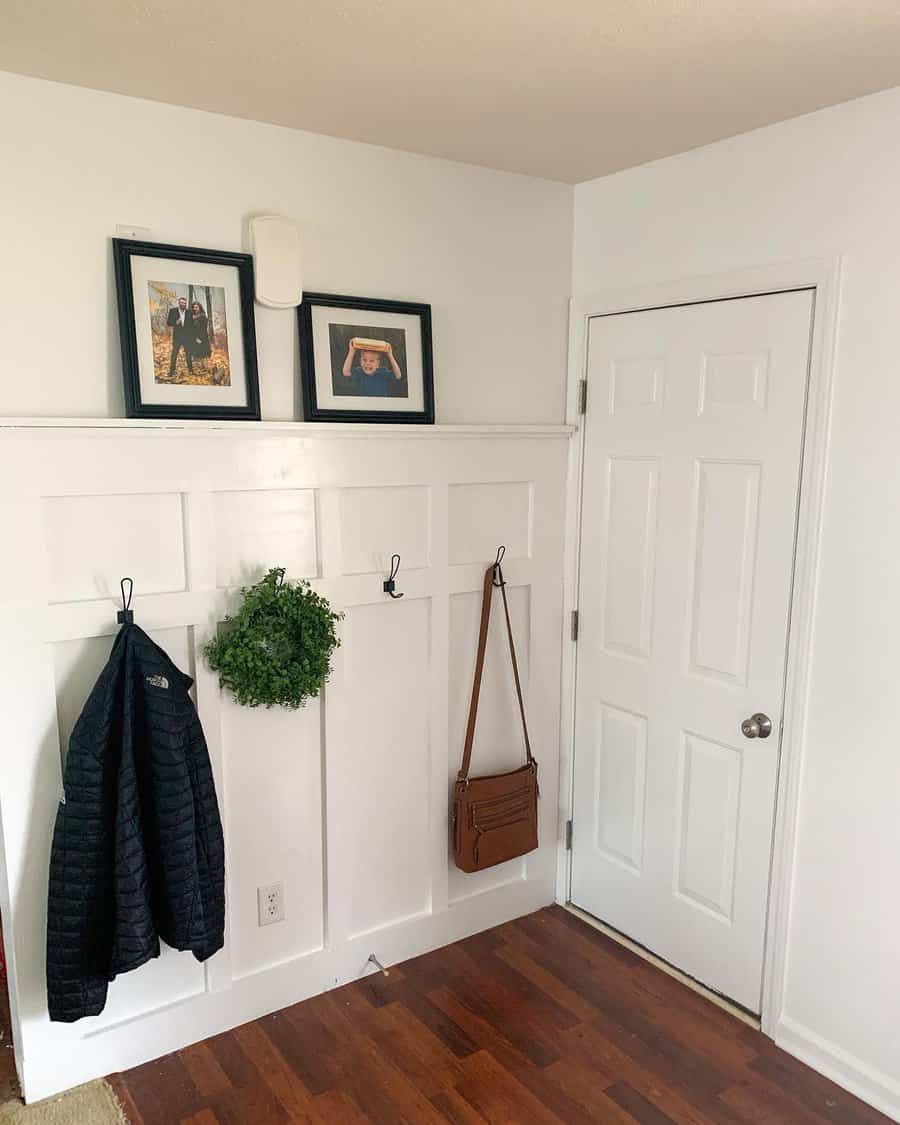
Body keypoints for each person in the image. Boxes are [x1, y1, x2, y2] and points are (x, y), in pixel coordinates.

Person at [166, 296, 193, 379]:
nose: (183, 304)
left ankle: (190, 370)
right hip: (177, 337)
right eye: (181, 303)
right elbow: (168, 323)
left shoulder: (189, 312)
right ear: (179, 303)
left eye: (184, 303)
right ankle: (171, 371)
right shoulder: (173, 311)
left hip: (187, 337)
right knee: (174, 354)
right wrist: (175, 322)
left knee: (188, 354)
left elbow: (192, 325)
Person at [188, 300, 212, 379]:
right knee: (196, 354)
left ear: (200, 308)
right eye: (194, 307)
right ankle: (198, 370)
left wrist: (199, 338)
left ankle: (205, 369)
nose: (195, 309)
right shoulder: (191, 317)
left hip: (202, 337)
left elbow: (203, 329)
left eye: (196, 307)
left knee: (203, 354)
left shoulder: (203, 317)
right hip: (194, 337)